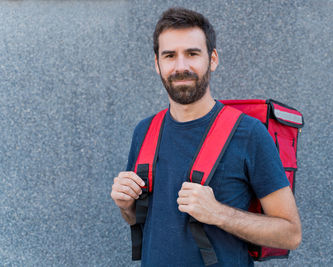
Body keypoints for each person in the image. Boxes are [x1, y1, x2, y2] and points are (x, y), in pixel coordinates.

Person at [111, 7, 301, 267]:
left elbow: (291, 234)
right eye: (169, 55)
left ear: (212, 59)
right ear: (157, 64)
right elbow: (140, 219)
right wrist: (126, 206)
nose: (181, 66)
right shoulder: (144, 132)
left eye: (192, 53)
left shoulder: (249, 134)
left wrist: (218, 214)